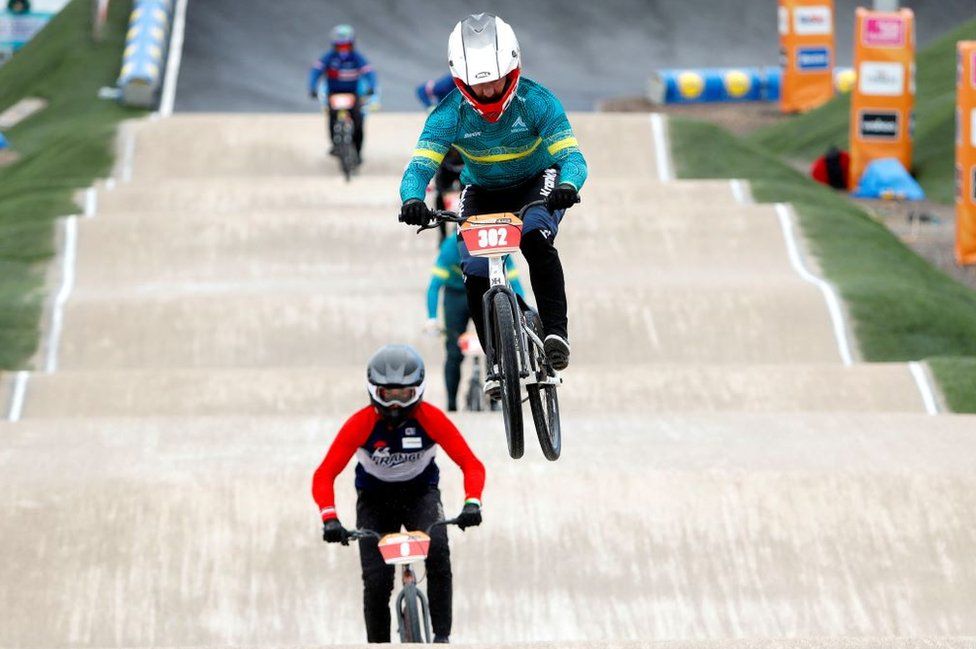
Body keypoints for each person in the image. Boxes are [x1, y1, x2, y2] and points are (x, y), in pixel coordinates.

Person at [398, 13, 586, 375]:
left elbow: (572, 158)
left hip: (537, 182)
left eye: (496, 81)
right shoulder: (447, 114)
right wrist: (412, 200)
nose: (487, 92)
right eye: (475, 85)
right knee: (473, 267)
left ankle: (556, 335)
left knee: (535, 237)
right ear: (460, 80)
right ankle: (498, 361)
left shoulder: (537, 101)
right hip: (482, 190)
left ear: (512, 68)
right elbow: (419, 168)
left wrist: (567, 186)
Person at [311, 344, 485, 644]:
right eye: (386, 393)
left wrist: (473, 502)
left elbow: (471, 464)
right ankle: (379, 644)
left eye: (403, 394)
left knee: (439, 556)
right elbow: (324, 474)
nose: (394, 403)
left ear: (417, 391)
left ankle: (442, 638)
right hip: (375, 502)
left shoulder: (431, 419)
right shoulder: (360, 424)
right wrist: (330, 518)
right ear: (373, 391)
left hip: (421, 495)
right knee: (376, 581)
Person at [426, 231, 525, 411]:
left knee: (495, 343)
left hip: (484, 289)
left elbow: (514, 281)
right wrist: (432, 318)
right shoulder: (450, 247)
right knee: (454, 352)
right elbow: (434, 286)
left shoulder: (494, 241)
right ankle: (451, 405)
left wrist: (521, 309)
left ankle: (497, 395)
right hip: (455, 296)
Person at [308, 24, 378, 159]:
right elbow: (315, 72)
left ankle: (357, 154)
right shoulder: (328, 57)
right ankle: (335, 145)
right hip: (334, 94)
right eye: (340, 46)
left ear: (351, 44)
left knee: (358, 122)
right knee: (332, 118)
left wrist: (371, 87)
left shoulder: (357, 57)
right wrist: (312, 87)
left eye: (346, 46)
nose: (343, 50)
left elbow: (369, 73)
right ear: (334, 45)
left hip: (353, 94)